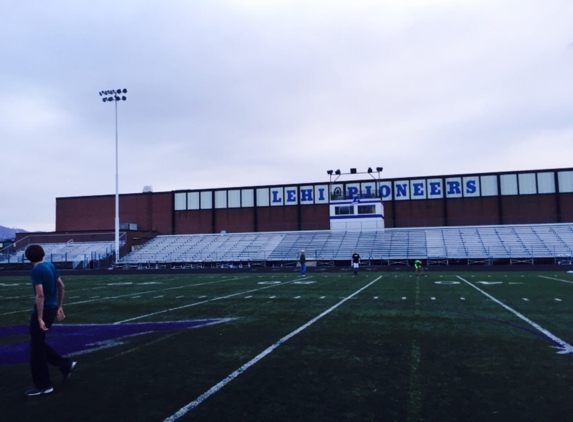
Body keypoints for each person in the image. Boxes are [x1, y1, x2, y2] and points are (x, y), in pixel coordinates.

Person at [24, 244, 76, 396]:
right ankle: (65, 364)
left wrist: (39, 318)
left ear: (28, 258)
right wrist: (59, 306)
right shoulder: (50, 266)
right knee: (37, 343)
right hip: (52, 308)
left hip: (44, 311)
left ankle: (44, 385)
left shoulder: (36, 271)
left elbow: (40, 295)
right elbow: (62, 286)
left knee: (36, 351)